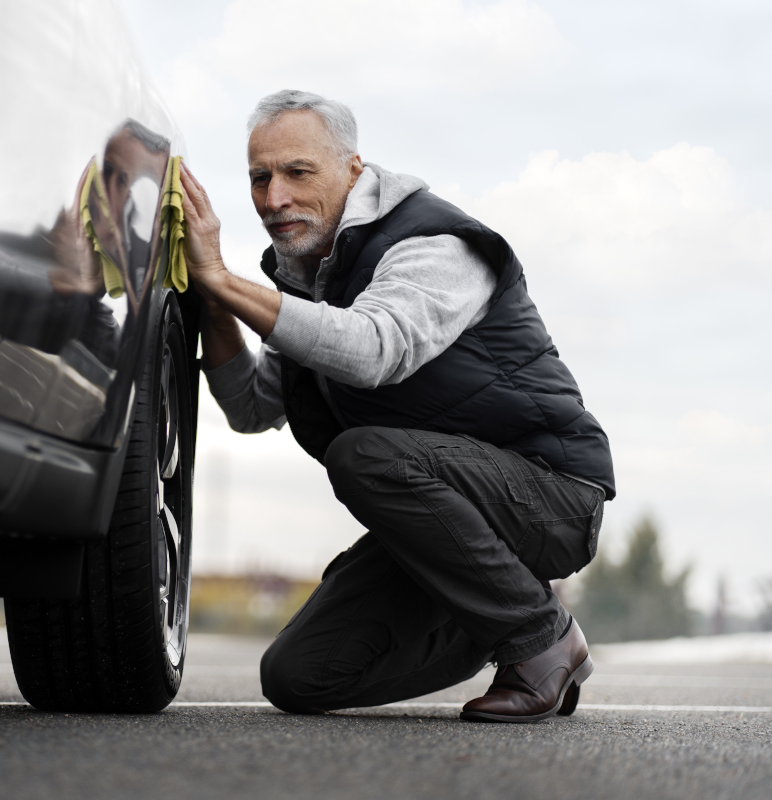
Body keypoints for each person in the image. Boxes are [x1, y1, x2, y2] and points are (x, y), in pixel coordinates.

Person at [179, 90, 614, 723]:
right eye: (260, 178)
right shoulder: (307, 279)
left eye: (298, 172)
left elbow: (373, 350)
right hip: (452, 521)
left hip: (552, 497)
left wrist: (226, 279)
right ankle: (490, 611)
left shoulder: (434, 244)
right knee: (297, 678)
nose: (275, 199)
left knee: (361, 454)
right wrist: (213, 304)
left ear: (353, 170)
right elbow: (250, 406)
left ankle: (539, 640)